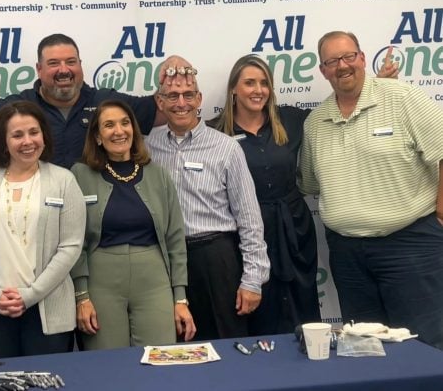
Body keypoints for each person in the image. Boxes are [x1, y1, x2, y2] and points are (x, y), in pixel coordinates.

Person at [299, 30, 443, 350]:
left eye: (349, 56)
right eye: (333, 61)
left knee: (426, 347)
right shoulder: (315, 122)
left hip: (410, 245)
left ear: (362, 58)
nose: (343, 66)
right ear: (323, 70)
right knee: (366, 348)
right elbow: (309, 183)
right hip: (348, 255)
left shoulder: (401, 97)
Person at [0, 34, 193, 172]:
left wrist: (174, 66)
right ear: (39, 69)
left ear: (81, 65)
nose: (64, 70)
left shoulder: (105, 102)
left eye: (70, 62)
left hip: (98, 222)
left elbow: (166, 108)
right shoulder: (16, 109)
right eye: (54, 63)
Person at [146, 62, 270, 340]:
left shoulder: (226, 148)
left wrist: (252, 280)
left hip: (215, 260)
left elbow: (249, 219)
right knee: (171, 345)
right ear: (159, 102)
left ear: (199, 100)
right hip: (163, 261)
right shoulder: (145, 147)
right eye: (172, 96)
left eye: (188, 95)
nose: (181, 103)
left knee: (225, 346)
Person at [0, 101, 85, 358]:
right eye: (17, 135)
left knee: (47, 382)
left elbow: (70, 246)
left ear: (44, 136)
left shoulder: (64, 180)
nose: (27, 141)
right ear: (3, 141)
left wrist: (30, 296)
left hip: (47, 309)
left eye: (34, 132)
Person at [206, 54, 320, 335]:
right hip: (246, 235)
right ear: (234, 88)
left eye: (264, 83)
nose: (258, 90)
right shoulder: (214, 131)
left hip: (293, 230)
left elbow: (336, 115)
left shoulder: (292, 120)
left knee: (302, 311)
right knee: (257, 313)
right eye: (249, 83)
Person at [71, 100, 195, 349]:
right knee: (107, 364)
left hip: (153, 279)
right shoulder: (79, 175)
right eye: (109, 125)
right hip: (101, 281)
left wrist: (180, 299)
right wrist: (81, 296)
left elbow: (175, 239)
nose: (119, 131)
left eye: (125, 123)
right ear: (97, 136)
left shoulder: (158, 174)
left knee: (160, 359)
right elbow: (74, 242)